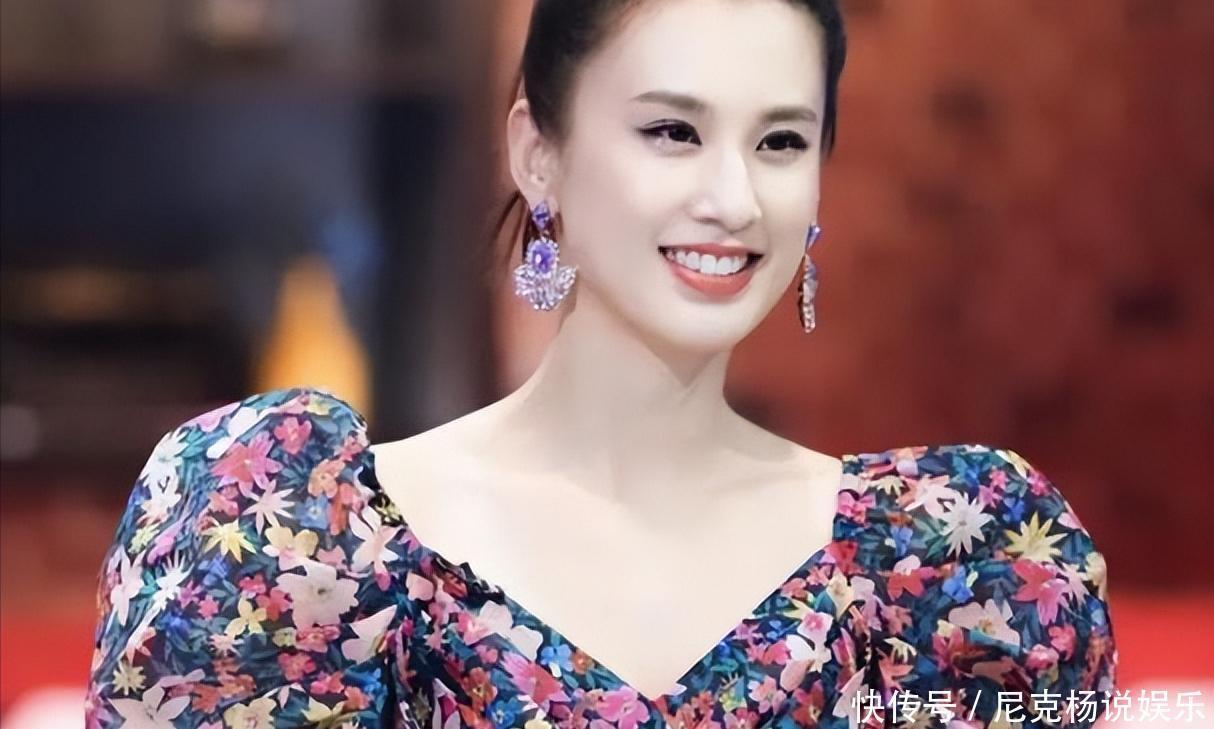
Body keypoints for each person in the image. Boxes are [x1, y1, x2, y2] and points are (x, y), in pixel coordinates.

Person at [85, 0, 1117, 727]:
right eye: (672, 131)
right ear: (538, 153)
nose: (732, 199)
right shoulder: (297, 547)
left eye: (780, 143)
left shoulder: (943, 574)